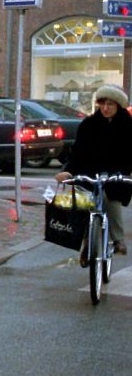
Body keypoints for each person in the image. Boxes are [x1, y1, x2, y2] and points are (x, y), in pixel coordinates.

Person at [55, 84, 132, 257]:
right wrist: (66, 171)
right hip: (89, 172)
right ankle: (86, 241)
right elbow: (77, 152)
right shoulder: (89, 124)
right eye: (102, 103)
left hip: (117, 173)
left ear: (118, 106)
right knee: (83, 200)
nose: (105, 108)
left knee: (110, 197)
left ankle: (118, 239)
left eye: (110, 104)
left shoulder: (128, 125)